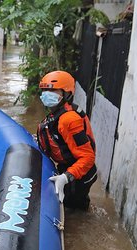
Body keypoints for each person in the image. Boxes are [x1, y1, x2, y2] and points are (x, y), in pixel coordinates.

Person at [36, 71, 97, 210]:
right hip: (68, 167)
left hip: (79, 173)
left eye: (52, 90)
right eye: (45, 90)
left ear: (66, 93)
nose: (47, 93)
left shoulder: (69, 120)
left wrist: (66, 177)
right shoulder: (56, 114)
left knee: (73, 212)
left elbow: (88, 157)